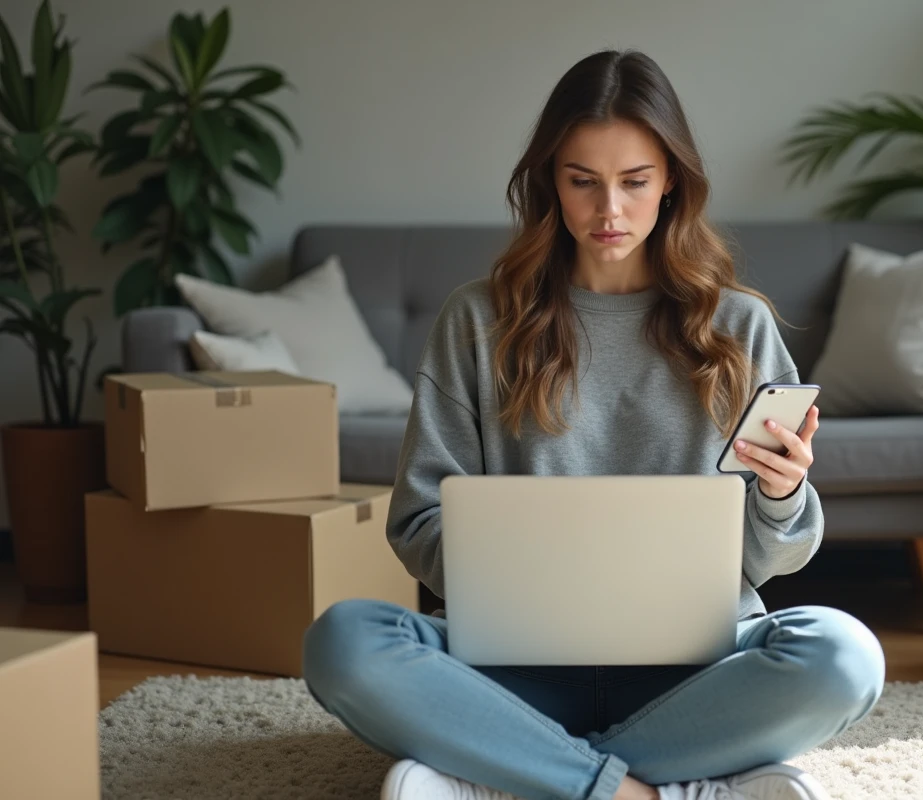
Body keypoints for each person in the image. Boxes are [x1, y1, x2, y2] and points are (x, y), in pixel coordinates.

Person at [302, 49, 885, 800]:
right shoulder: (477, 320)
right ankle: (649, 787)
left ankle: (502, 771)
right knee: (344, 642)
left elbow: (778, 553)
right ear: (550, 180)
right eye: (583, 182)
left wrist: (781, 494)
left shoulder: (740, 327)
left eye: (635, 182)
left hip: (693, 672)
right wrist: (510, 571)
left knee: (845, 656)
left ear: (671, 180)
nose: (608, 210)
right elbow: (417, 524)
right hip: (513, 669)